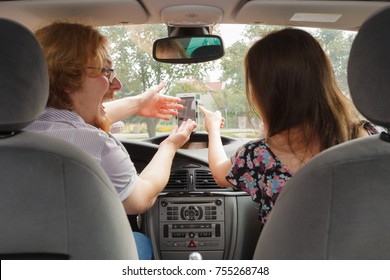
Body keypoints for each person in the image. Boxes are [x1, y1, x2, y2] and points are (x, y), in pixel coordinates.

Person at [25, 22, 197, 259]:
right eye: (105, 71)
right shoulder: (95, 144)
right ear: (67, 81)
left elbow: (69, 119)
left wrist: (138, 103)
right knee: (138, 240)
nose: (116, 84)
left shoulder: (18, 129)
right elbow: (140, 199)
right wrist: (170, 145)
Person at [200, 28, 381, 225]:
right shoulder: (367, 137)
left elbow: (219, 173)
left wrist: (213, 128)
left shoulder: (258, 157)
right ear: (322, 79)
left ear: (265, 95)